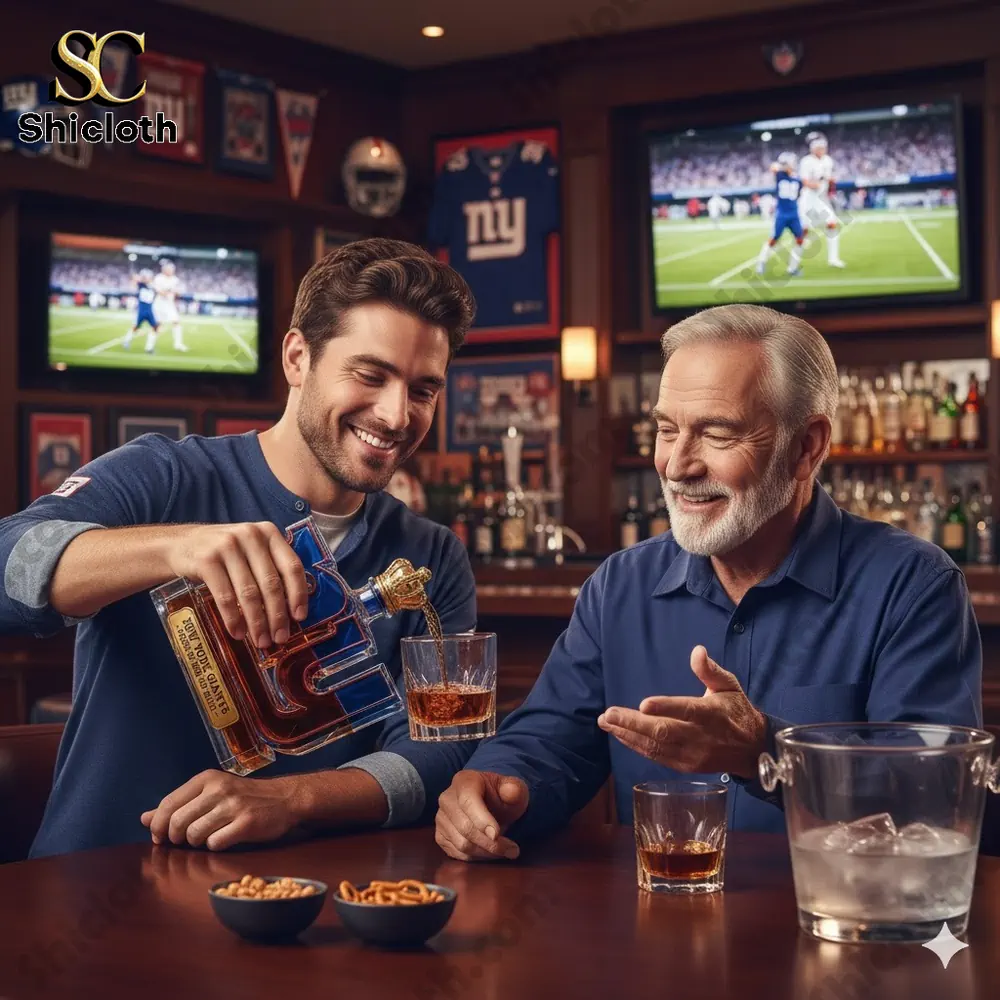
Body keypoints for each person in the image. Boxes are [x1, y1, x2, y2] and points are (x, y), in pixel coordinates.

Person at [435, 303, 981, 862]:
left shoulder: (913, 586)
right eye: (667, 430)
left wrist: (762, 752)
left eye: (717, 434)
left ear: (807, 446)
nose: (677, 465)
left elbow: (932, 796)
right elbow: (547, 743)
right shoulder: (620, 585)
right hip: (655, 932)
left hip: (838, 929)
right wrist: (497, 788)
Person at [0, 238, 479, 857]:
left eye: (422, 390)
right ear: (298, 357)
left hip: (308, 911)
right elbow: (8, 562)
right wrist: (177, 548)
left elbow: (441, 748)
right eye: (370, 374)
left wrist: (293, 799)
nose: (394, 414)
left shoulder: (430, 556)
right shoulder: (166, 476)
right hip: (98, 893)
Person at [798, 131, 846, 269]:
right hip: (808, 199)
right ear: (813, 149)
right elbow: (806, 182)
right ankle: (794, 263)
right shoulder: (806, 161)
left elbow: (828, 181)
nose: (823, 150)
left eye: (824, 148)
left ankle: (833, 259)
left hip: (821, 199)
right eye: (820, 148)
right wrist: (820, 182)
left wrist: (830, 184)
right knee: (803, 231)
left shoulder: (828, 160)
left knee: (832, 224)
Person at [755, 152, 806, 277]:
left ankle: (792, 268)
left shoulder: (797, 179)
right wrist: (783, 165)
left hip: (794, 213)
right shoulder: (779, 175)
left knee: (800, 239)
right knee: (774, 239)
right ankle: (761, 261)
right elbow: (773, 167)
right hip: (782, 214)